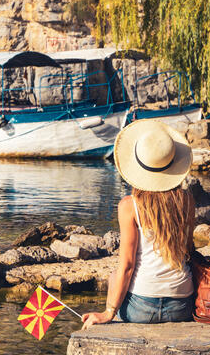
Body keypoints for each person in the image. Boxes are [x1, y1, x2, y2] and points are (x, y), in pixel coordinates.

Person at [82, 120, 195, 328]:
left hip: (142, 309)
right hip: (182, 306)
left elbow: (127, 266)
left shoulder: (129, 206)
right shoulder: (186, 201)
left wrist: (109, 312)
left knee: (115, 274)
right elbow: (189, 250)